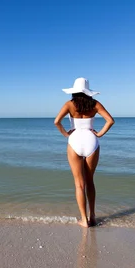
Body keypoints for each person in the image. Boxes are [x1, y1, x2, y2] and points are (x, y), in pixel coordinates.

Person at [54, 78, 114, 227]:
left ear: (74, 91)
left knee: (79, 184)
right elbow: (110, 120)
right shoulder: (95, 104)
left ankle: (84, 219)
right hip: (91, 141)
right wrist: (99, 134)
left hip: (74, 141)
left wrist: (66, 134)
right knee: (89, 181)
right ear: (88, 92)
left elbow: (57, 121)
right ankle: (93, 216)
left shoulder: (69, 104)